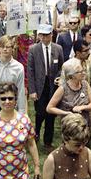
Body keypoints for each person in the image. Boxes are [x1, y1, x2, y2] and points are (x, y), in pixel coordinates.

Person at [27, 24, 64, 152]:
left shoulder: (58, 49)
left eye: (46, 35)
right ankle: (35, 133)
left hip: (53, 87)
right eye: (41, 35)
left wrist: (59, 78)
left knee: (51, 114)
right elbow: (30, 71)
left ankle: (48, 141)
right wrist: (32, 90)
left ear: (51, 35)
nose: (43, 37)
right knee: (40, 113)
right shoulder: (33, 49)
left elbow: (61, 67)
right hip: (39, 86)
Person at [46, 62, 91, 128]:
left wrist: (82, 107)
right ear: (72, 75)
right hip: (69, 126)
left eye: (83, 70)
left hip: (85, 123)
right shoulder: (63, 88)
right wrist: (66, 113)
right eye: (80, 72)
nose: (83, 73)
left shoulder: (85, 84)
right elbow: (49, 108)